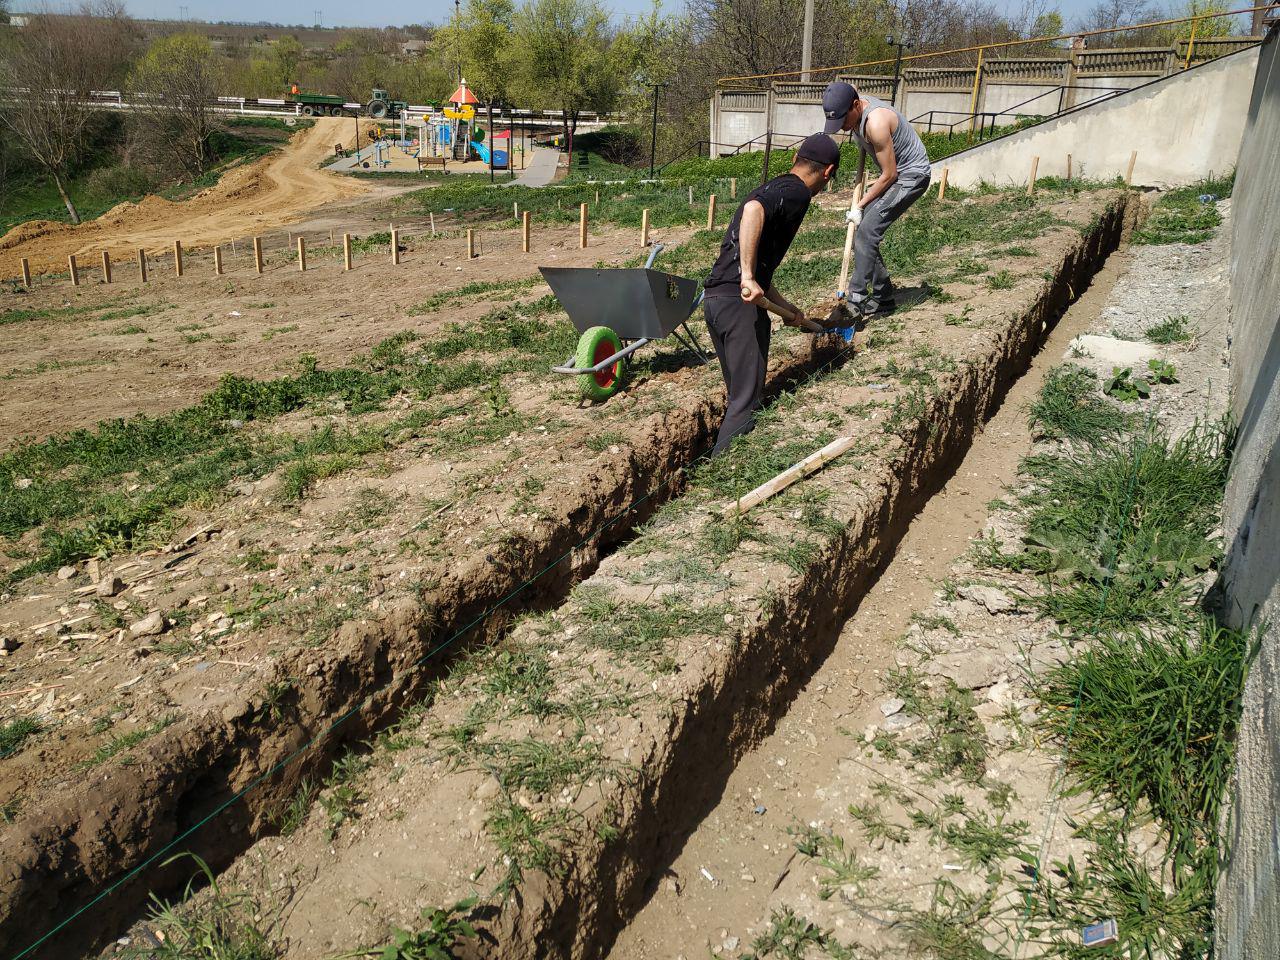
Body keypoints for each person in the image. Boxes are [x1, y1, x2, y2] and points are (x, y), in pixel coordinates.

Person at [702, 133, 840, 455]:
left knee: (739, 395)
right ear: (828, 172)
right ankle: (723, 469)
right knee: (745, 402)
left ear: (795, 159)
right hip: (739, 308)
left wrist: (788, 309)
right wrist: (748, 277)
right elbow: (753, 211)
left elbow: (759, 273)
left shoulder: (775, 186)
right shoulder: (797, 192)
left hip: (716, 302)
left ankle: (719, 461)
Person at [822, 81, 932, 319]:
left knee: (866, 232)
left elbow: (890, 174)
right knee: (861, 231)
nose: (842, 127)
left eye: (843, 120)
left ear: (855, 106)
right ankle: (883, 297)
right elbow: (851, 87)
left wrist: (860, 205)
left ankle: (856, 300)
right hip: (895, 176)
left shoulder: (876, 123)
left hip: (911, 176)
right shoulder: (853, 106)